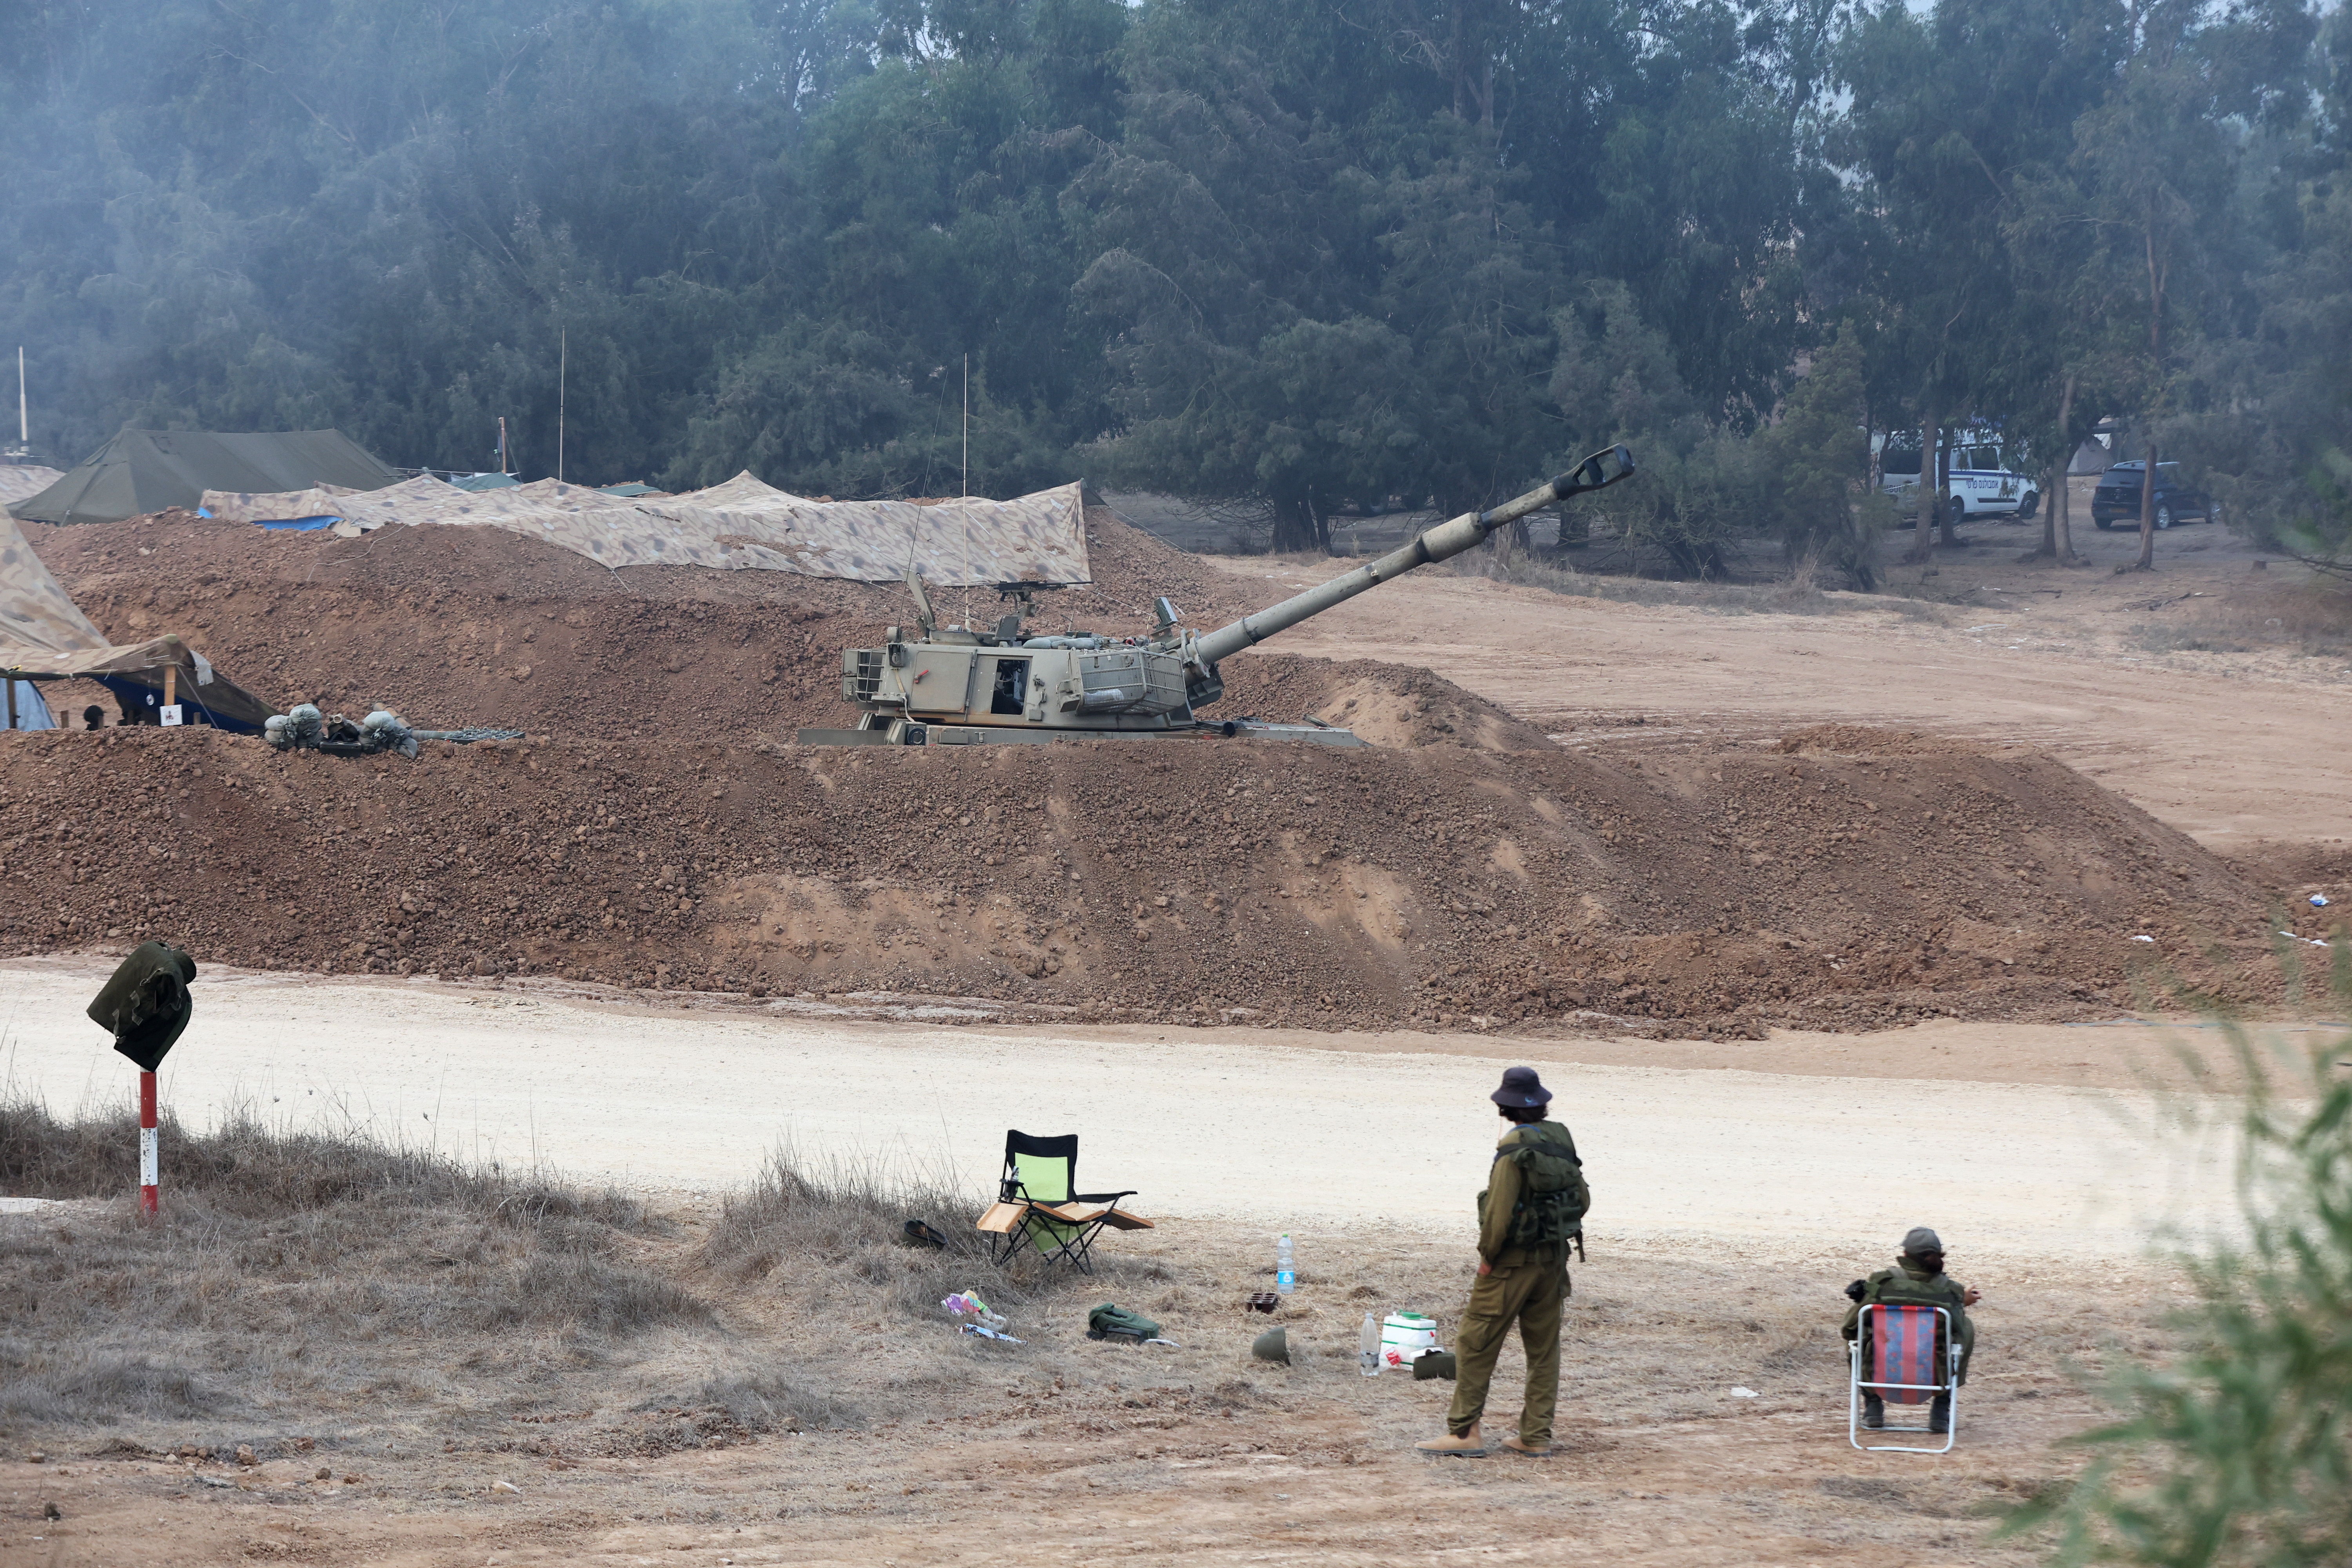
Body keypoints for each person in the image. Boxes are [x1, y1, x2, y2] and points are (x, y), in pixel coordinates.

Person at [1416, 1065, 1588, 1458]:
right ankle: (1536, 1435)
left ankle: (1464, 1433)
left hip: (1511, 1263)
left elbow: (1498, 1215)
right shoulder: (1560, 1138)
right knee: (1544, 1349)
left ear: (1504, 1106)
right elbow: (1584, 1198)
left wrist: (1488, 1259)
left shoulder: (1513, 1153)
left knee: (1475, 1342)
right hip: (1554, 1259)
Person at [1842, 1226, 1980, 1434]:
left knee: (1857, 1336)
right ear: (1937, 1256)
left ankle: (1873, 1405)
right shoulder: (1950, 1290)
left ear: (1905, 1255)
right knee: (1965, 1329)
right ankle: (1942, 1409)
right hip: (1935, 1371)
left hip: (1879, 1366)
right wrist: (1962, 1303)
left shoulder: (1883, 1283)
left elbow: (1849, 1326)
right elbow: (1958, 1328)